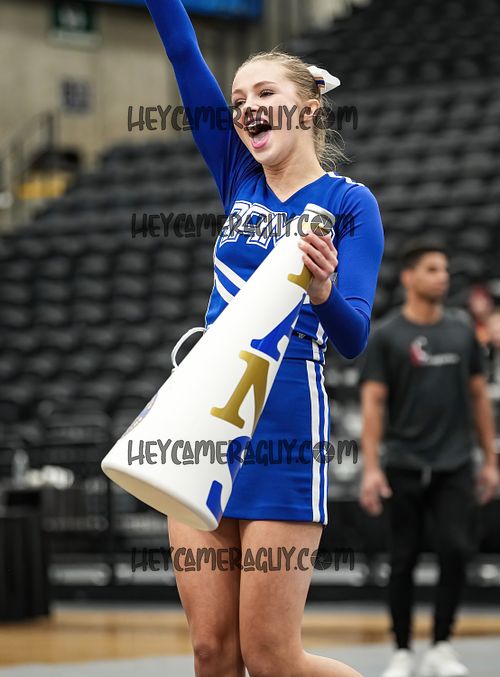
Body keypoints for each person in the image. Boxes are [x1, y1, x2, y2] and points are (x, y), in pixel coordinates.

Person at [145, 1, 384, 675]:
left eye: (264, 93)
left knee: (273, 658)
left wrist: (323, 292)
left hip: (285, 428)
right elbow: (184, 53)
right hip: (200, 421)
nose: (246, 106)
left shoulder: (349, 203)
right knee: (212, 652)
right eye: (238, 99)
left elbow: (354, 336)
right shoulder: (237, 174)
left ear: (307, 109)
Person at [358, 239, 499, 677]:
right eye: (433, 269)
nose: (443, 277)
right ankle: (402, 650)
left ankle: (441, 644)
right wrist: (371, 468)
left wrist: (490, 461)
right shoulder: (387, 335)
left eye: (445, 270)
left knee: (456, 550)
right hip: (403, 462)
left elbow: (478, 397)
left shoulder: (461, 330)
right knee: (402, 560)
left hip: (454, 463)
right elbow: (373, 404)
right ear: (409, 277)